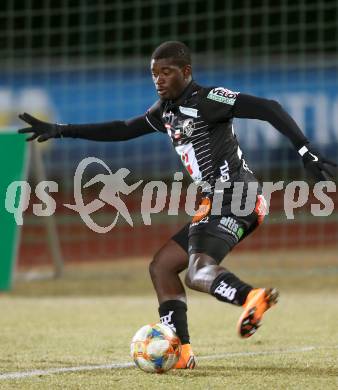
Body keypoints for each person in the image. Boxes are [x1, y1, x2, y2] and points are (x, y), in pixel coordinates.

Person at [18, 41, 336, 369]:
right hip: (224, 200)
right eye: (154, 73)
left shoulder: (209, 100)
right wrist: (61, 130)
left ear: (186, 72)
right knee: (163, 267)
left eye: (166, 72)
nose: (159, 79)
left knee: (198, 272)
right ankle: (182, 351)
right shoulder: (165, 111)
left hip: (233, 195)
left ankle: (249, 297)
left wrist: (304, 150)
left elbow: (268, 107)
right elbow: (124, 129)